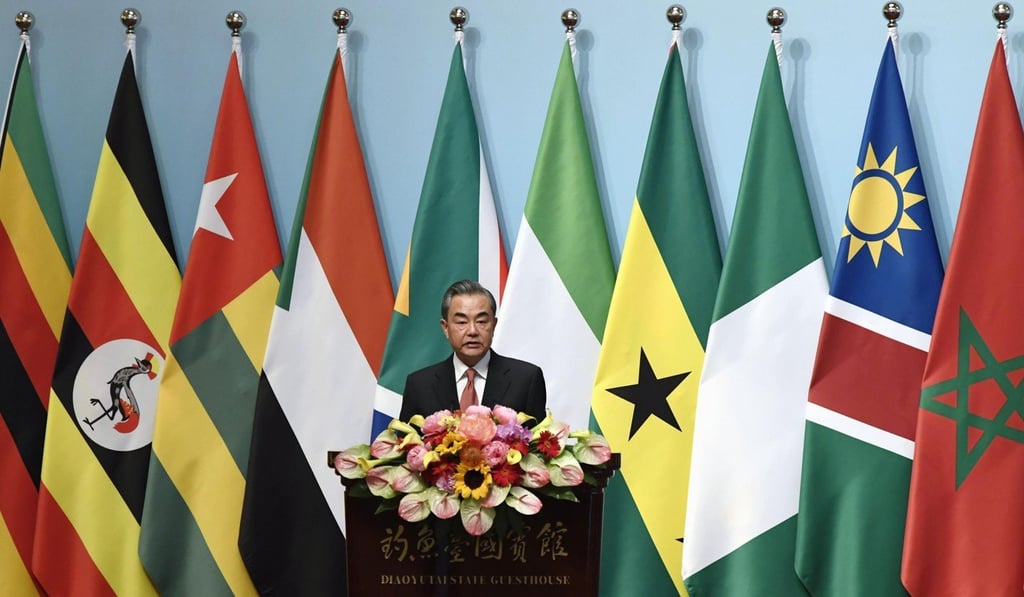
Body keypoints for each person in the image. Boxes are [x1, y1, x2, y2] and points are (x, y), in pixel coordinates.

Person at [398, 279, 547, 423]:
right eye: (462, 322)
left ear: (494, 325)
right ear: (445, 327)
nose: (472, 331)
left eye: (481, 321)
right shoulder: (420, 385)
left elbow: (539, 446)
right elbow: (407, 445)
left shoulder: (526, 380)